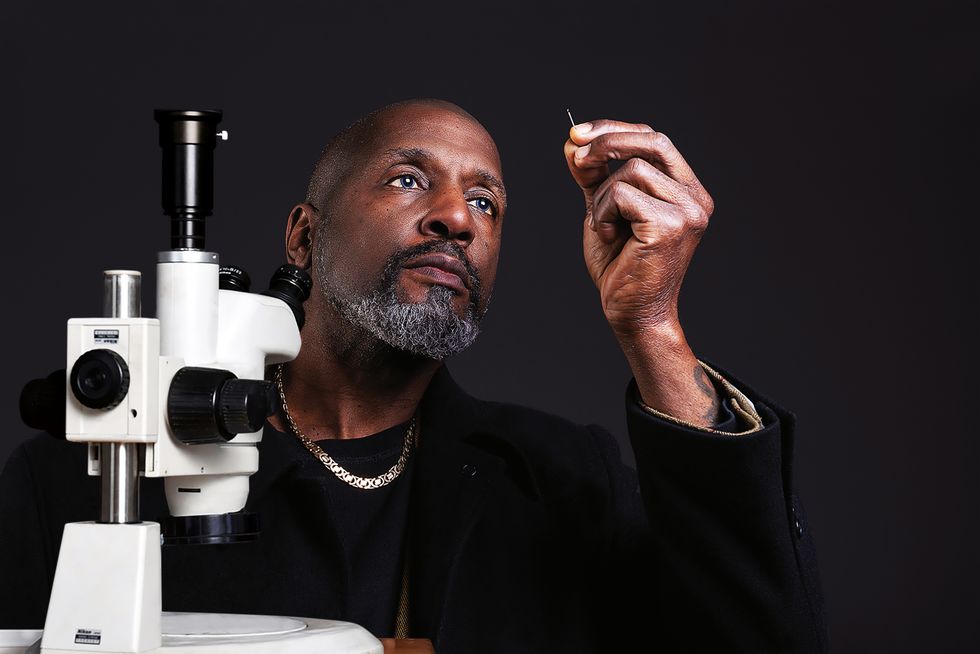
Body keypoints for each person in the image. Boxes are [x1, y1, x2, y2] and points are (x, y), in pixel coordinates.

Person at [0, 98, 827, 652]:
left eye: (487, 203)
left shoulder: (569, 480)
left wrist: (650, 326)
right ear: (301, 240)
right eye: (408, 179)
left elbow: (764, 637)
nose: (456, 219)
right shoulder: (71, 486)